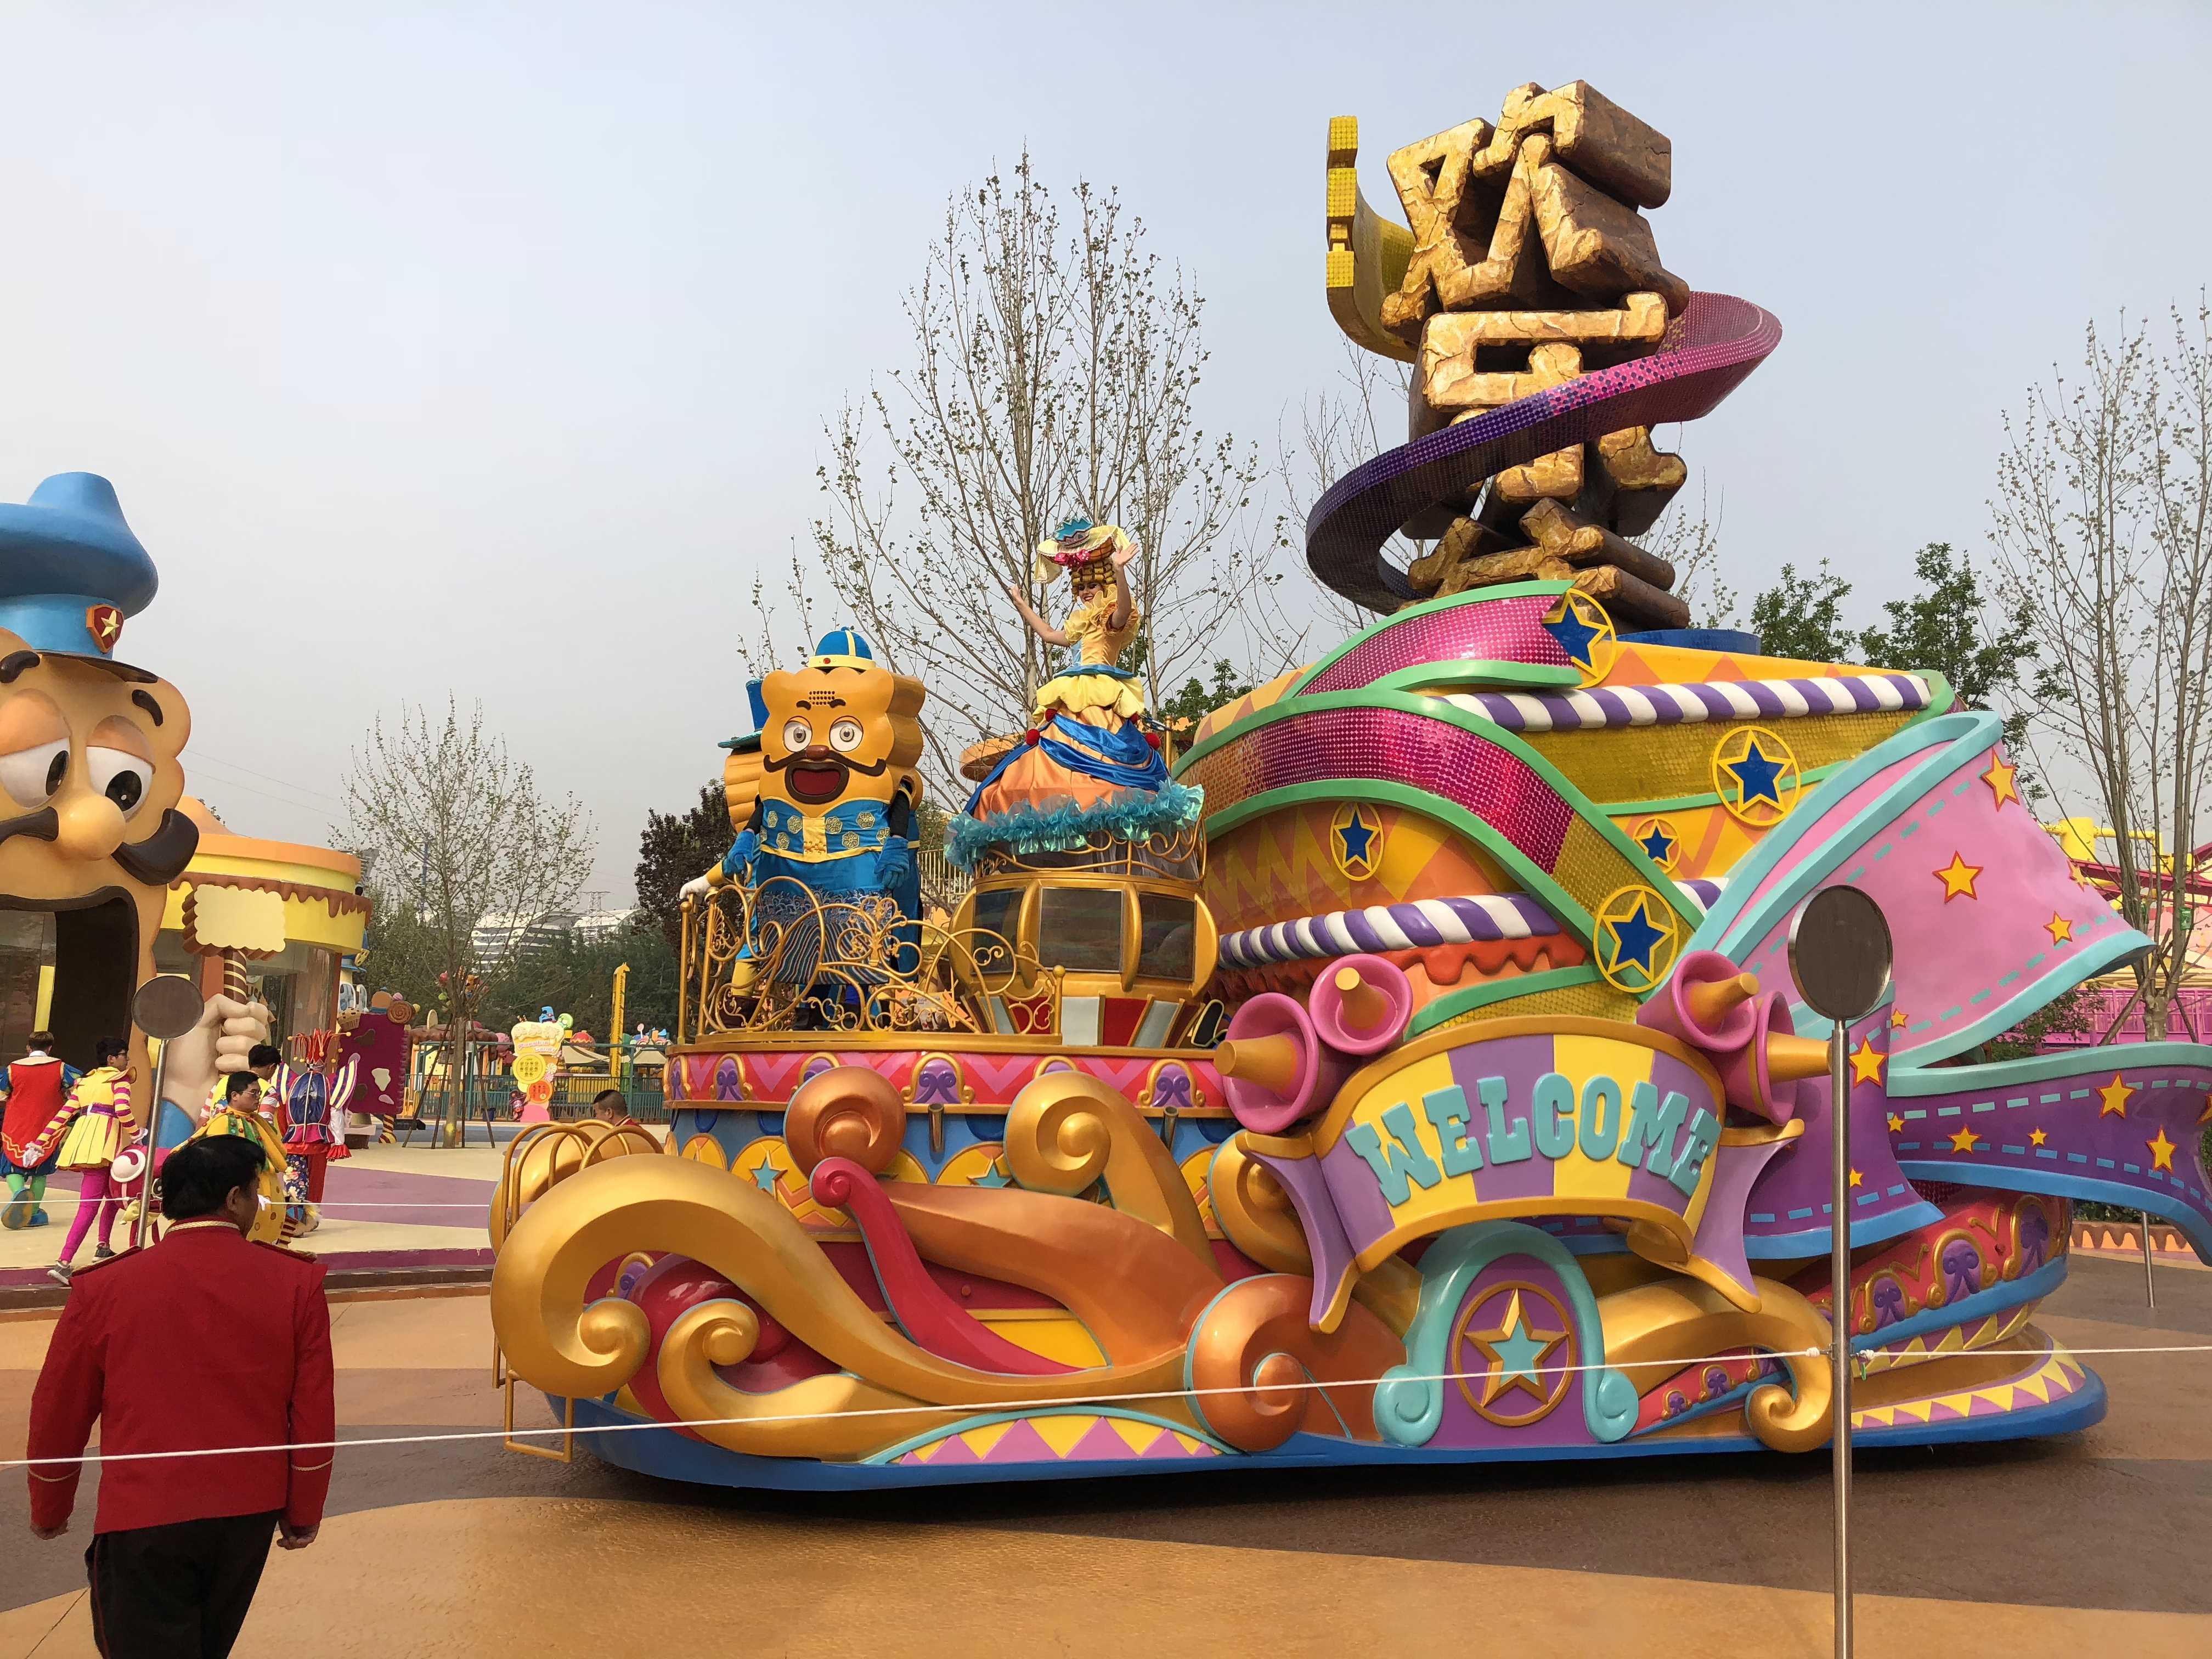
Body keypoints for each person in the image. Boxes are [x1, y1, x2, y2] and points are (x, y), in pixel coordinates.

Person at [26, 1135, 334, 1658]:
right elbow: (313, 1412)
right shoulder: (294, 1283)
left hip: (143, 1512)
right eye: (255, 1193)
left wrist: (50, 1504)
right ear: (234, 1199)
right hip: (247, 1513)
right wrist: (303, 1510)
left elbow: (60, 1408)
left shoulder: (105, 1287)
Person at [49, 1037, 132, 1285]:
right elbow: (123, 1111)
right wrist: (137, 1132)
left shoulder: (85, 1082)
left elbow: (63, 1114)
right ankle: (63, 1262)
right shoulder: (119, 1080)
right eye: (124, 1055)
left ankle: (103, 1246)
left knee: (112, 1196)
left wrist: (41, 1141)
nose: (127, 1059)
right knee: (90, 1207)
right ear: (112, 1059)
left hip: (84, 1144)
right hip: (106, 1145)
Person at [1, 1032, 81, 1229]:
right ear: (50, 1048)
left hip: (16, 1125)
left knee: (11, 1166)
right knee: (40, 1173)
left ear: (29, 1048)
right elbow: (78, 1090)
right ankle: (33, 1213)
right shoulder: (62, 1068)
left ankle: (19, 1193)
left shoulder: (12, 1069)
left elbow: (2, 1095)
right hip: (47, 1127)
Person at [278, 1049, 357, 1235]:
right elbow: (336, 1113)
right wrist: (339, 1142)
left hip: (293, 1141)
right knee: (314, 1182)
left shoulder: (291, 1081)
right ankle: (309, 1218)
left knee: (294, 1182)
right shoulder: (330, 1084)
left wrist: (287, 1134)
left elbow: (282, 1111)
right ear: (325, 1064)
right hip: (319, 1142)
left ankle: (294, 1222)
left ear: (306, 1063)